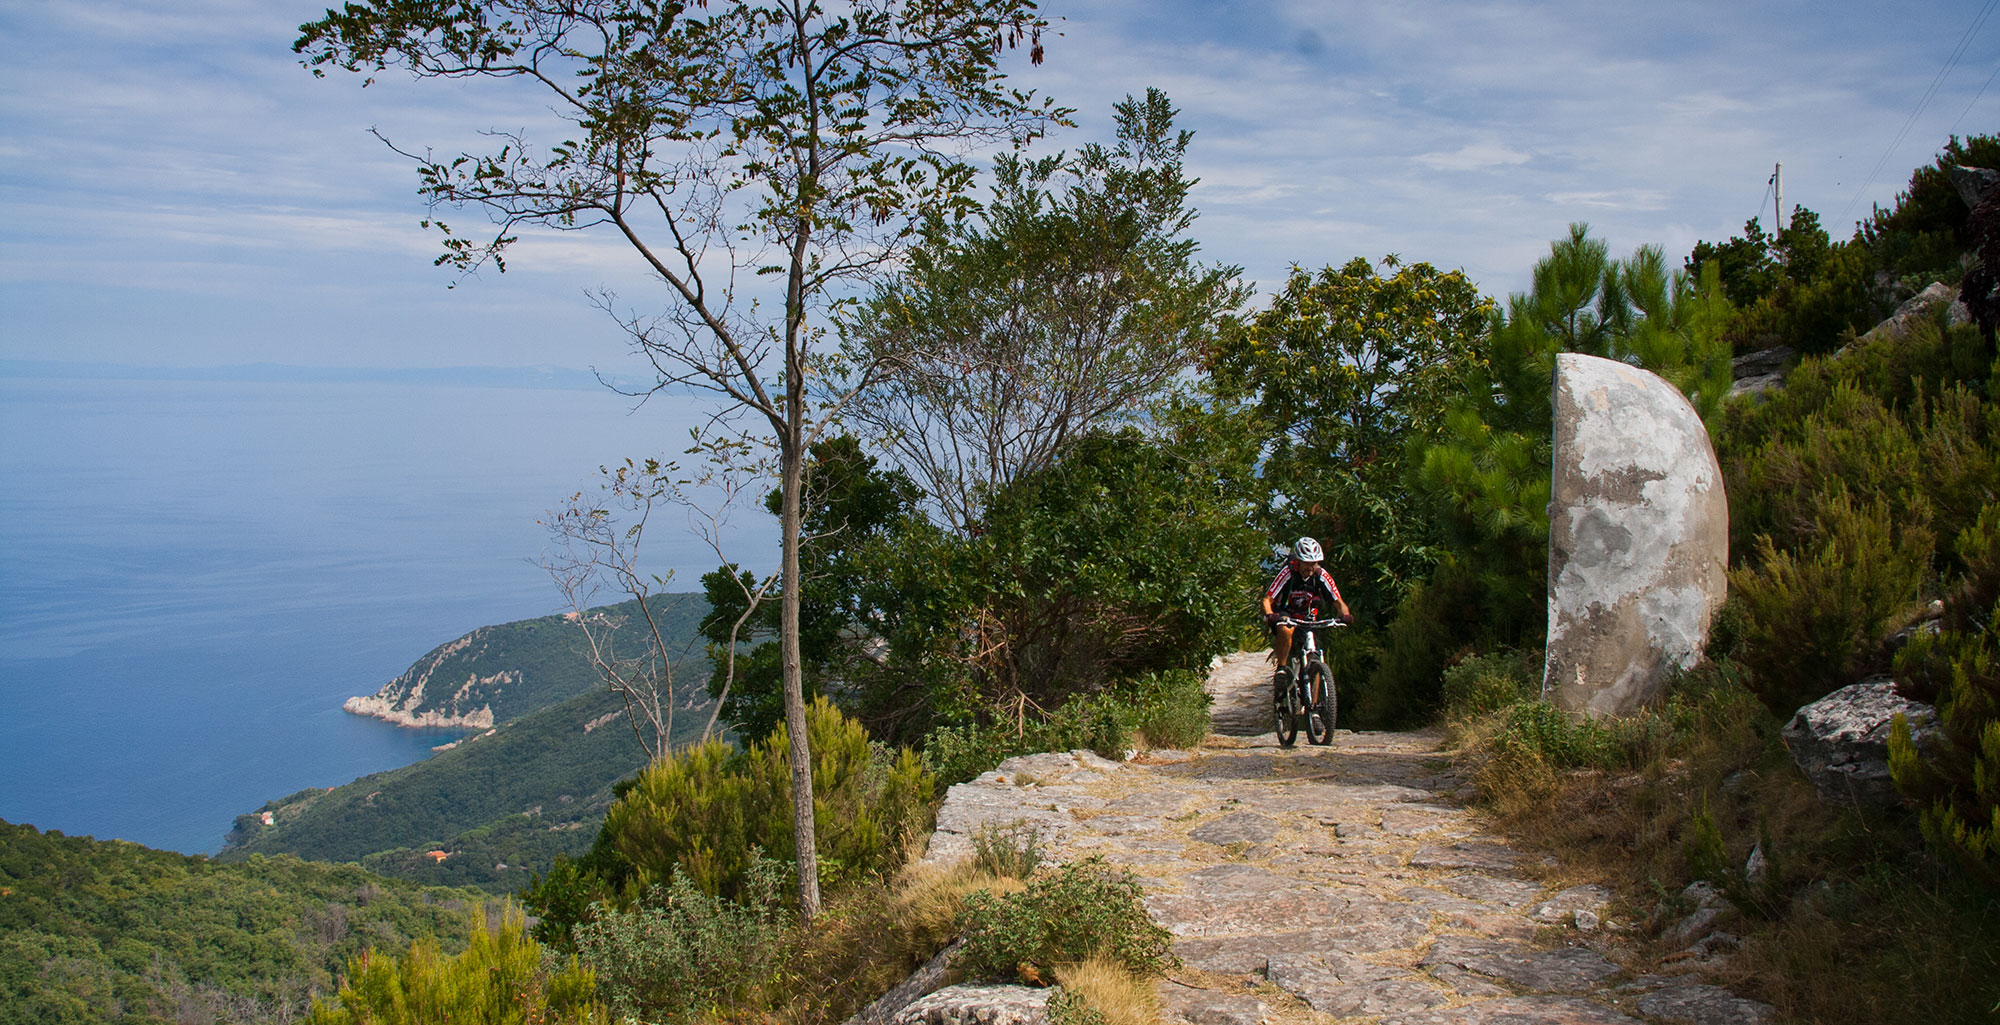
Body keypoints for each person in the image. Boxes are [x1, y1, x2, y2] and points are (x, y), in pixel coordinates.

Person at [1261, 536, 1352, 692]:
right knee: (1285, 628)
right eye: (1306, 563)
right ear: (1298, 561)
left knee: (1315, 658)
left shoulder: (1321, 575)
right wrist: (1270, 615)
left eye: (1314, 563)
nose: (1310, 567)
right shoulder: (1288, 572)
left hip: (1308, 618)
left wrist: (1345, 615)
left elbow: (1339, 602)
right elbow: (1267, 600)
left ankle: (1314, 709)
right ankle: (1282, 670)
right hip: (1286, 612)